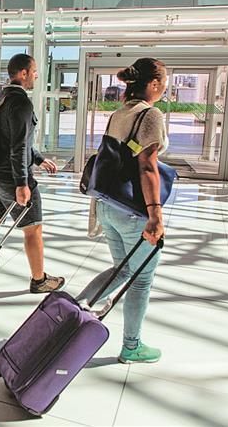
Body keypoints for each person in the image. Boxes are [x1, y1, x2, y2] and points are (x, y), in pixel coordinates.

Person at [76, 57, 169, 364]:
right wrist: (155, 215)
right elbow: (147, 166)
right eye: (163, 82)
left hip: (107, 206)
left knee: (123, 269)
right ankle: (132, 345)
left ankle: (74, 309)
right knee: (140, 278)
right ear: (153, 84)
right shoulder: (150, 114)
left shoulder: (119, 112)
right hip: (132, 211)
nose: (165, 88)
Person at [0, 53, 63, 294]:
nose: (36, 76)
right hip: (10, 178)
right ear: (23, 73)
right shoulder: (22, 102)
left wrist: (39, 158)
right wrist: (22, 183)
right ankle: (39, 280)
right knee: (33, 229)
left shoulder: (1, 97)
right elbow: (17, 146)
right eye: (34, 71)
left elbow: (12, 140)